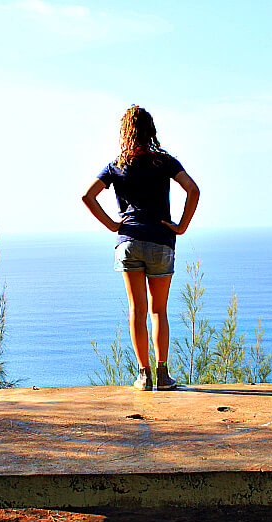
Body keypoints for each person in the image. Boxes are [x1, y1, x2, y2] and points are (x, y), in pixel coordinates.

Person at [82, 105, 200, 391]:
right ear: (152, 131)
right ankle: (162, 374)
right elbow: (193, 190)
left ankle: (144, 375)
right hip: (160, 240)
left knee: (137, 310)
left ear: (125, 132)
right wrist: (181, 226)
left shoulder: (116, 166)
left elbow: (88, 196)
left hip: (129, 242)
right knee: (158, 310)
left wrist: (112, 224)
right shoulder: (165, 162)